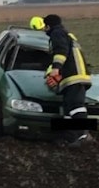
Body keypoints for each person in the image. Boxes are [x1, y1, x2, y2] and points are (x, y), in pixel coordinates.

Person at [40, 14, 94, 148]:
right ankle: (71, 138)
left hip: (74, 76)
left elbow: (61, 52)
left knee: (76, 106)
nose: (44, 30)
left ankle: (84, 136)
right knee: (69, 108)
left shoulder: (57, 34)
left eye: (44, 27)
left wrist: (56, 69)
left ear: (48, 26)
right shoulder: (67, 33)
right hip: (75, 76)